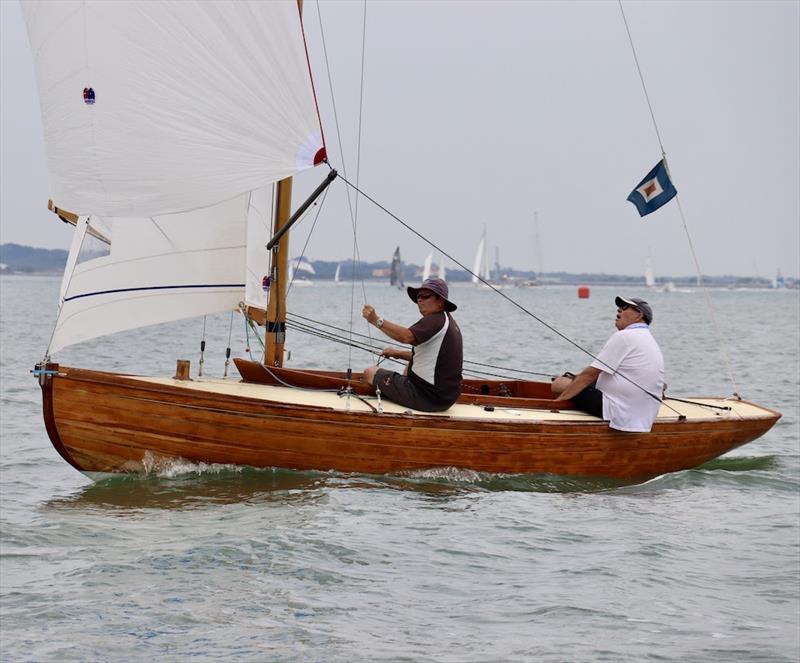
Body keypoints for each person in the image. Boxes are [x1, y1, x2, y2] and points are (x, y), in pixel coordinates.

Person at [551, 296, 664, 432]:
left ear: (639, 315)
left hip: (619, 411)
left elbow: (589, 375)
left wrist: (557, 404)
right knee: (572, 381)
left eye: (624, 307)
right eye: (619, 307)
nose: (618, 310)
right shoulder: (648, 338)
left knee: (559, 383)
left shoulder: (625, 336)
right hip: (644, 414)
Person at [362, 277, 463, 412]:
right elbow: (430, 357)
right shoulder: (447, 321)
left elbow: (406, 336)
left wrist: (376, 320)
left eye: (425, 296)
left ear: (440, 301)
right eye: (418, 297)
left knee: (370, 373)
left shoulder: (435, 320)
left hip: (428, 397)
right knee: (409, 366)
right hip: (446, 397)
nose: (419, 300)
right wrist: (398, 353)